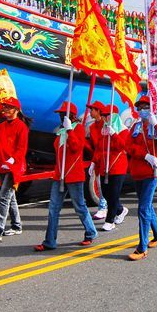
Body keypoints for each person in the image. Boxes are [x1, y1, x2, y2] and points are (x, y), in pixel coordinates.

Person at [34, 102, 97, 251]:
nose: (61, 117)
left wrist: (70, 130)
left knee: (80, 207)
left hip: (74, 176)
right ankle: (49, 241)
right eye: (60, 114)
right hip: (59, 176)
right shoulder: (60, 132)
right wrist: (66, 130)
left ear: (72, 116)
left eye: (64, 114)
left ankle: (90, 232)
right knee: (53, 208)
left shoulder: (78, 129)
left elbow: (76, 148)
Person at [126, 96, 157, 260]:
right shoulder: (136, 125)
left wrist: (156, 124)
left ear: (152, 107)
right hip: (137, 171)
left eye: (145, 107)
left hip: (151, 173)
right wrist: (145, 155)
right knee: (146, 206)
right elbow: (128, 145)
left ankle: (142, 247)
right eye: (139, 107)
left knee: (143, 208)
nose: (141, 110)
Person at [0, 98, 28, 241]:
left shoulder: (21, 127)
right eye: (5, 107)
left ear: (16, 110)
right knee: (11, 198)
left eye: (9, 108)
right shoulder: (1, 126)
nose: (5, 110)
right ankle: (17, 226)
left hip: (15, 167)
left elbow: (22, 149)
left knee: (4, 197)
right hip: (3, 166)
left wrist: (12, 160)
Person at [90, 104, 129, 232]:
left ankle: (110, 220)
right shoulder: (104, 131)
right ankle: (120, 210)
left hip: (118, 167)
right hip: (104, 167)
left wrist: (114, 134)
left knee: (113, 194)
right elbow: (99, 148)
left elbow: (123, 146)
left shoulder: (123, 130)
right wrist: (93, 162)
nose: (106, 118)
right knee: (106, 193)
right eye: (104, 116)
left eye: (108, 115)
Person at [85, 101, 109, 221]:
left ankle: (112, 208)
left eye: (92, 110)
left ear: (98, 111)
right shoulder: (92, 126)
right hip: (98, 158)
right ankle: (103, 207)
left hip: (107, 158)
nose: (90, 112)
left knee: (107, 185)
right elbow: (95, 145)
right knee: (100, 185)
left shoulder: (106, 125)